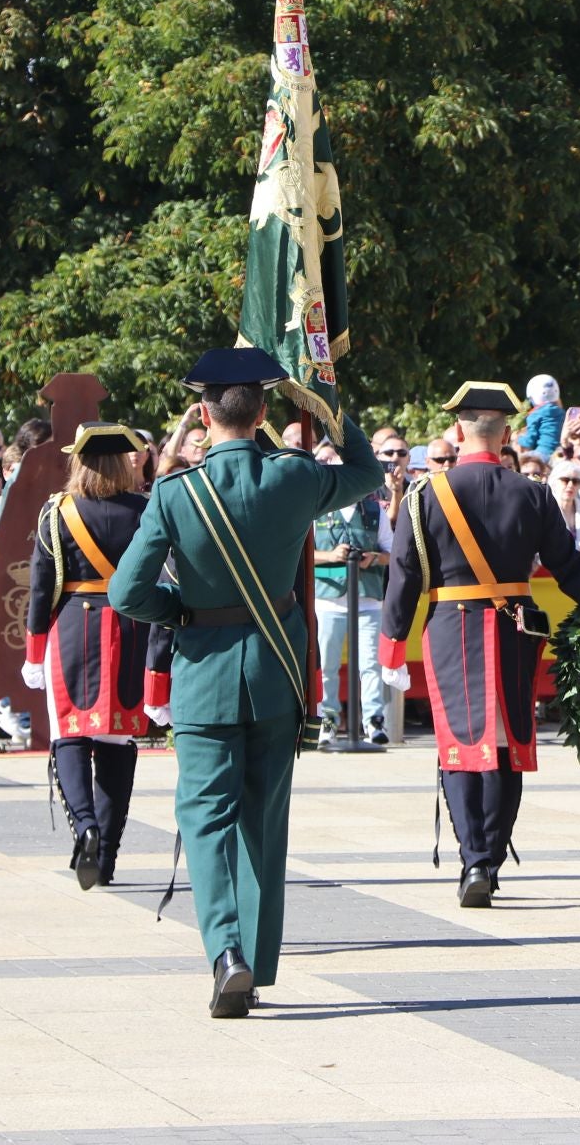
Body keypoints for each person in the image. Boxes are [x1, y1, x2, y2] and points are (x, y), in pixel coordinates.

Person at [110, 347, 380, 1019]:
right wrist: (326, 403)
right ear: (262, 412)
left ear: (203, 415)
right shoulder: (292, 479)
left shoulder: (176, 493)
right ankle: (253, 965)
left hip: (202, 674)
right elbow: (368, 472)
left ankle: (224, 951)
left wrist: (182, 613)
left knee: (205, 820)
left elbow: (126, 592)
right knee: (263, 821)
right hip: (275, 675)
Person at [380, 381, 580, 907]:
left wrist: (392, 647)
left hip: (449, 627)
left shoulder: (424, 497)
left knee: (459, 749)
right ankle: (490, 859)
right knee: (507, 746)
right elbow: (571, 570)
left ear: (458, 432)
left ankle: (472, 858)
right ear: (505, 433)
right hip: (514, 627)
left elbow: (403, 577)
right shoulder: (532, 493)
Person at [22, 424, 171, 890]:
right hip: (131, 628)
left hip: (72, 630)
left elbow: (41, 589)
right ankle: (105, 855)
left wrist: (33, 651)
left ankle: (83, 826)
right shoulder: (146, 511)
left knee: (69, 737)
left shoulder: (57, 513)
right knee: (116, 744)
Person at [311, 475, 392, 748]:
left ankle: (373, 720)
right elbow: (300, 551)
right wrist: (331, 555)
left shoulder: (374, 511)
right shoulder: (316, 509)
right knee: (327, 666)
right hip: (328, 599)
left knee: (370, 664)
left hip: (367, 597)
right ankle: (328, 720)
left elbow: (392, 552)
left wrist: (374, 558)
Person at [519, 374, 565, 460]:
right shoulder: (562, 413)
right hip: (560, 454)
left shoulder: (535, 414)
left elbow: (529, 441)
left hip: (543, 454)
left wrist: (518, 439)